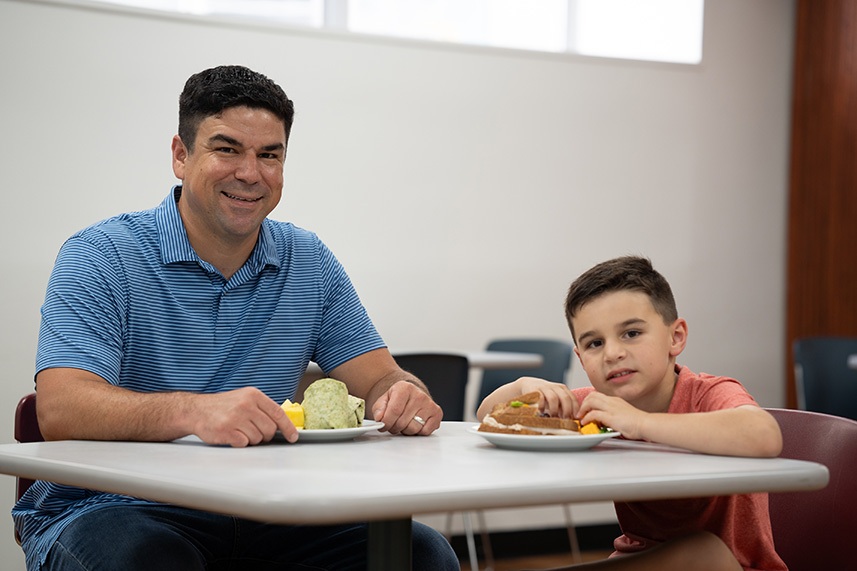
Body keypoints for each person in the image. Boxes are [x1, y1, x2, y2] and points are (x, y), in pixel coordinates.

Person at [14, 65, 459, 571]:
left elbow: (380, 377)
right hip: (111, 508)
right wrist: (194, 413)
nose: (251, 173)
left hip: (267, 510)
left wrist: (401, 394)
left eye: (270, 155)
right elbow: (61, 408)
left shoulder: (307, 259)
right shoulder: (102, 254)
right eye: (227, 149)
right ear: (181, 156)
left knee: (421, 555)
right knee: (145, 559)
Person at [477, 256, 786, 571]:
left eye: (632, 333)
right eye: (595, 343)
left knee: (704, 550)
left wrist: (640, 422)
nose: (612, 353)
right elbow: (486, 413)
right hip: (638, 560)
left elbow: (764, 435)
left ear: (675, 337)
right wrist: (522, 386)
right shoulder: (596, 407)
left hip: (727, 565)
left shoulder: (706, 393)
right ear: (581, 359)